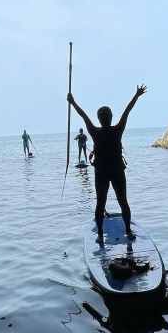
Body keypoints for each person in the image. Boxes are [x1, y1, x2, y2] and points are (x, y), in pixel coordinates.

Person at [67, 85, 147, 242]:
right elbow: (127, 111)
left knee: (100, 203)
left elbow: (83, 116)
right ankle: (129, 232)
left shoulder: (95, 132)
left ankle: (100, 235)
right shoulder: (118, 129)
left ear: (99, 119)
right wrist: (136, 95)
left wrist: (73, 102)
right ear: (111, 117)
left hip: (102, 172)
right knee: (123, 201)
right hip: (117, 170)